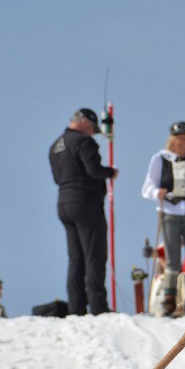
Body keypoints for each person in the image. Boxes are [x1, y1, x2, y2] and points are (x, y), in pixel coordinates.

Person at [49, 108, 118, 316]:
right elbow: (94, 170)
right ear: (85, 122)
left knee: (75, 258)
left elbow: (57, 178)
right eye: (92, 129)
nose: (92, 133)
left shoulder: (56, 145)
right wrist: (111, 172)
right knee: (94, 255)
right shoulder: (83, 142)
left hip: (64, 203)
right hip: (85, 203)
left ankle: (76, 307)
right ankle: (98, 306)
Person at [141, 121, 185, 316]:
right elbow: (147, 187)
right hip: (170, 211)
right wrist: (157, 193)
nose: (184, 143)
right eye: (180, 139)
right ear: (172, 141)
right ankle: (169, 298)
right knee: (171, 256)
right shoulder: (160, 158)